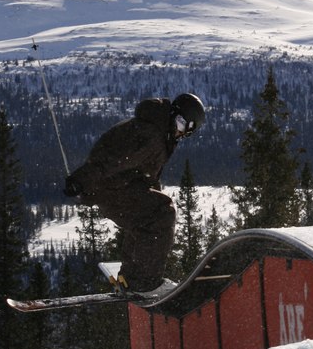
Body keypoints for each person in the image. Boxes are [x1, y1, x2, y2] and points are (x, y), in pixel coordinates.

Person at [63, 93, 206, 293]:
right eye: (181, 124)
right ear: (173, 114)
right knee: (161, 214)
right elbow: (114, 160)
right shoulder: (151, 135)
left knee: (147, 218)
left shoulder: (157, 131)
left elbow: (146, 176)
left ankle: (130, 278)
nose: (180, 132)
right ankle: (144, 281)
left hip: (115, 186)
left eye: (187, 131)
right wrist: (81, 179)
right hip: (109, 187)